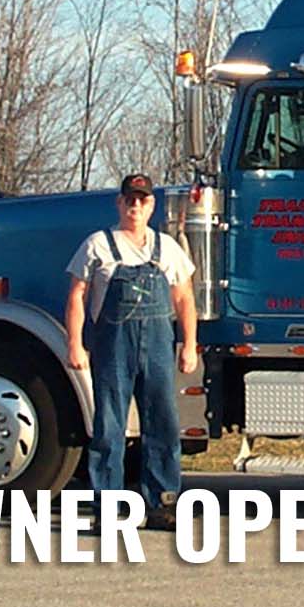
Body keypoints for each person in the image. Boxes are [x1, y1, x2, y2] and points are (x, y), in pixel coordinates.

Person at [64, 173, 198, 529]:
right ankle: (107, 508)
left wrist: (189, 345)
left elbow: (184, 298)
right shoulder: (98, 245)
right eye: (130, 200)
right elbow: (77, 295)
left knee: (163, 424)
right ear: (119, 203)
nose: (135, 206)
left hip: (157, 346)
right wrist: (75, 344)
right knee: (109, 427)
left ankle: (162, 502)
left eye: (142, 200)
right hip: (113, 349)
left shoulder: (167, 247)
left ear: (151, 205)